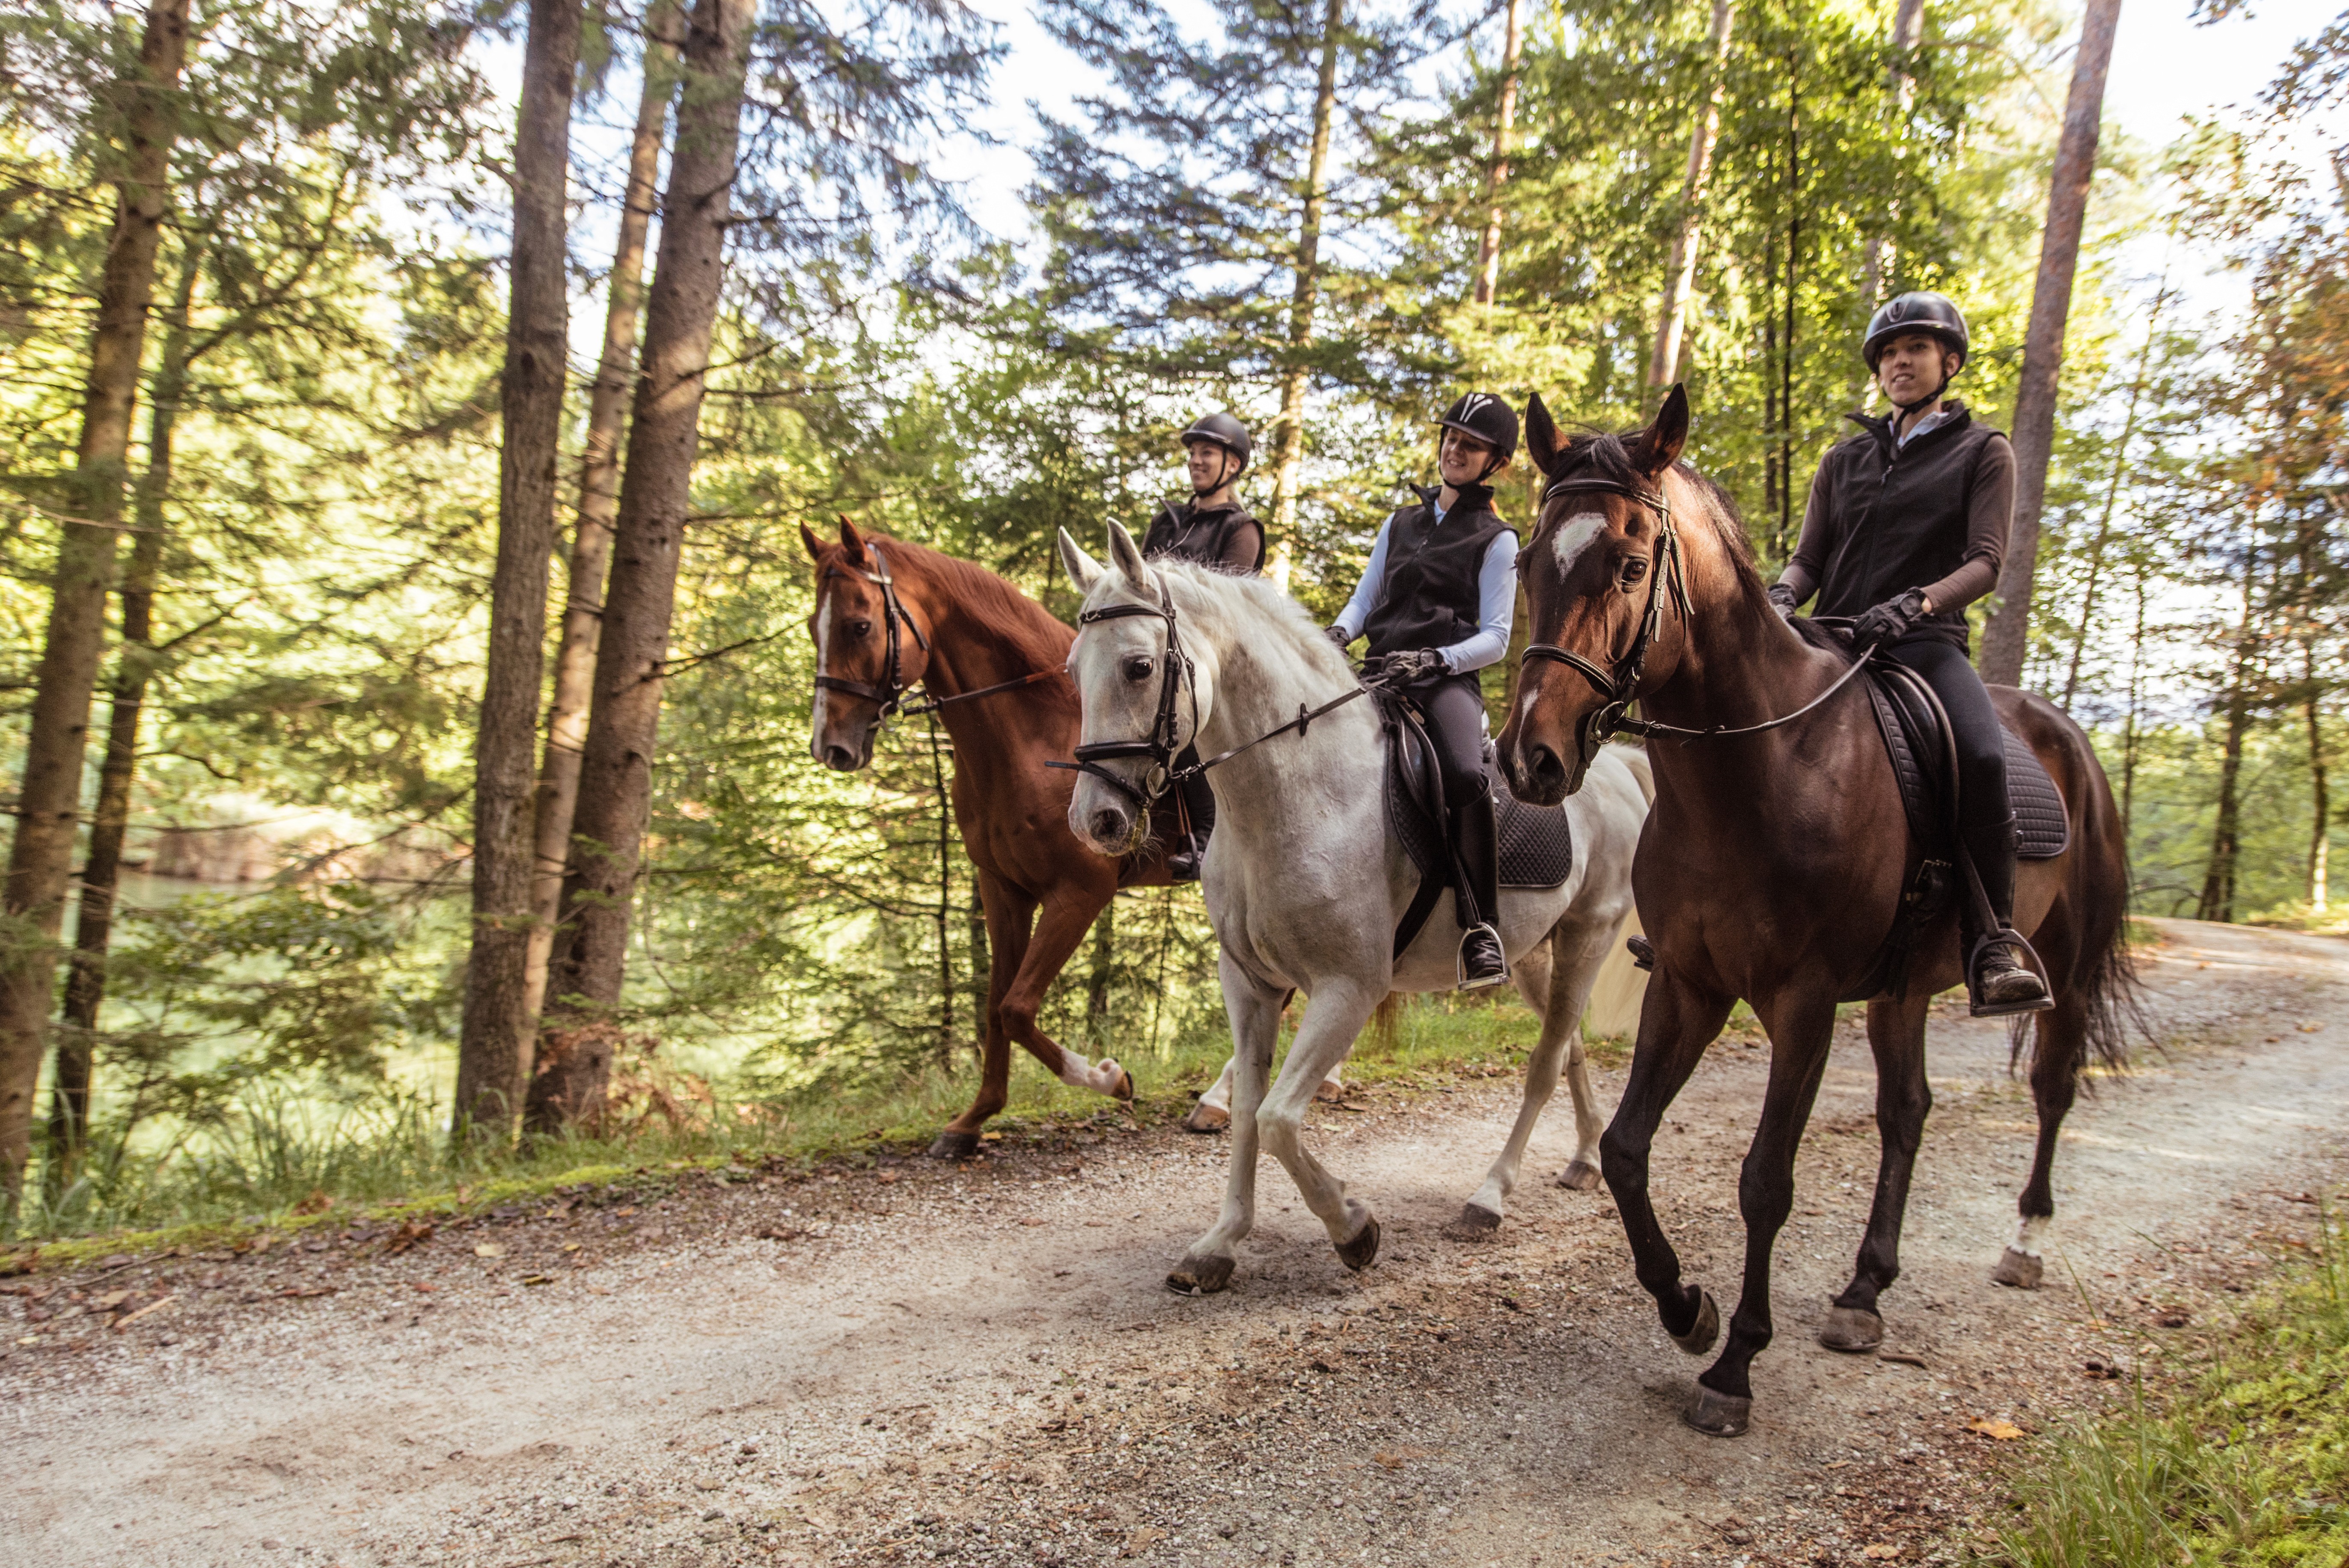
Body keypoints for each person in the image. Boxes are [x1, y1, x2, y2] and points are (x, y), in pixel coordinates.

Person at [1767, 291, 2053, 1016]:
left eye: (1916, 349)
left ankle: (1991, 938)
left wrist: (1919, 602)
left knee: (1982, 756)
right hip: (1829, 637)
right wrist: (1777, 596)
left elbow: (1986, 561)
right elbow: (1808, 559)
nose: (1899, 361)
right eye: (1889, 353)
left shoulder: (1982, 450)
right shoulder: (1844, 458)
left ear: (1947, 362)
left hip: (1922, 643)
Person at [1327, 392, 1520, 989]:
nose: (1455, 450)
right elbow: (1367, 598)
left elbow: (1498, 637)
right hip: (1380, 668)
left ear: (1497, 463)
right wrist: (1338, 631)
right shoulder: (1401, 522)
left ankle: (1480, 927)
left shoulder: (1499, 541)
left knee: (1464, 774)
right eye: (1451, 438)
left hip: (1444, 682)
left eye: (1471, 444)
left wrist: (1437, 658)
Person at [1142, 413, 1267, 880]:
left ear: (1232, 465)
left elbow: (1221, 610)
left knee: (1183, 710)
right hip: (1153, 647)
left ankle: (1207, 832)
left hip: (1208, 657)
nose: (1196, 461)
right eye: (1193, 453)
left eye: (1206, 453)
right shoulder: (1166, 522)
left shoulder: (1242, 530)